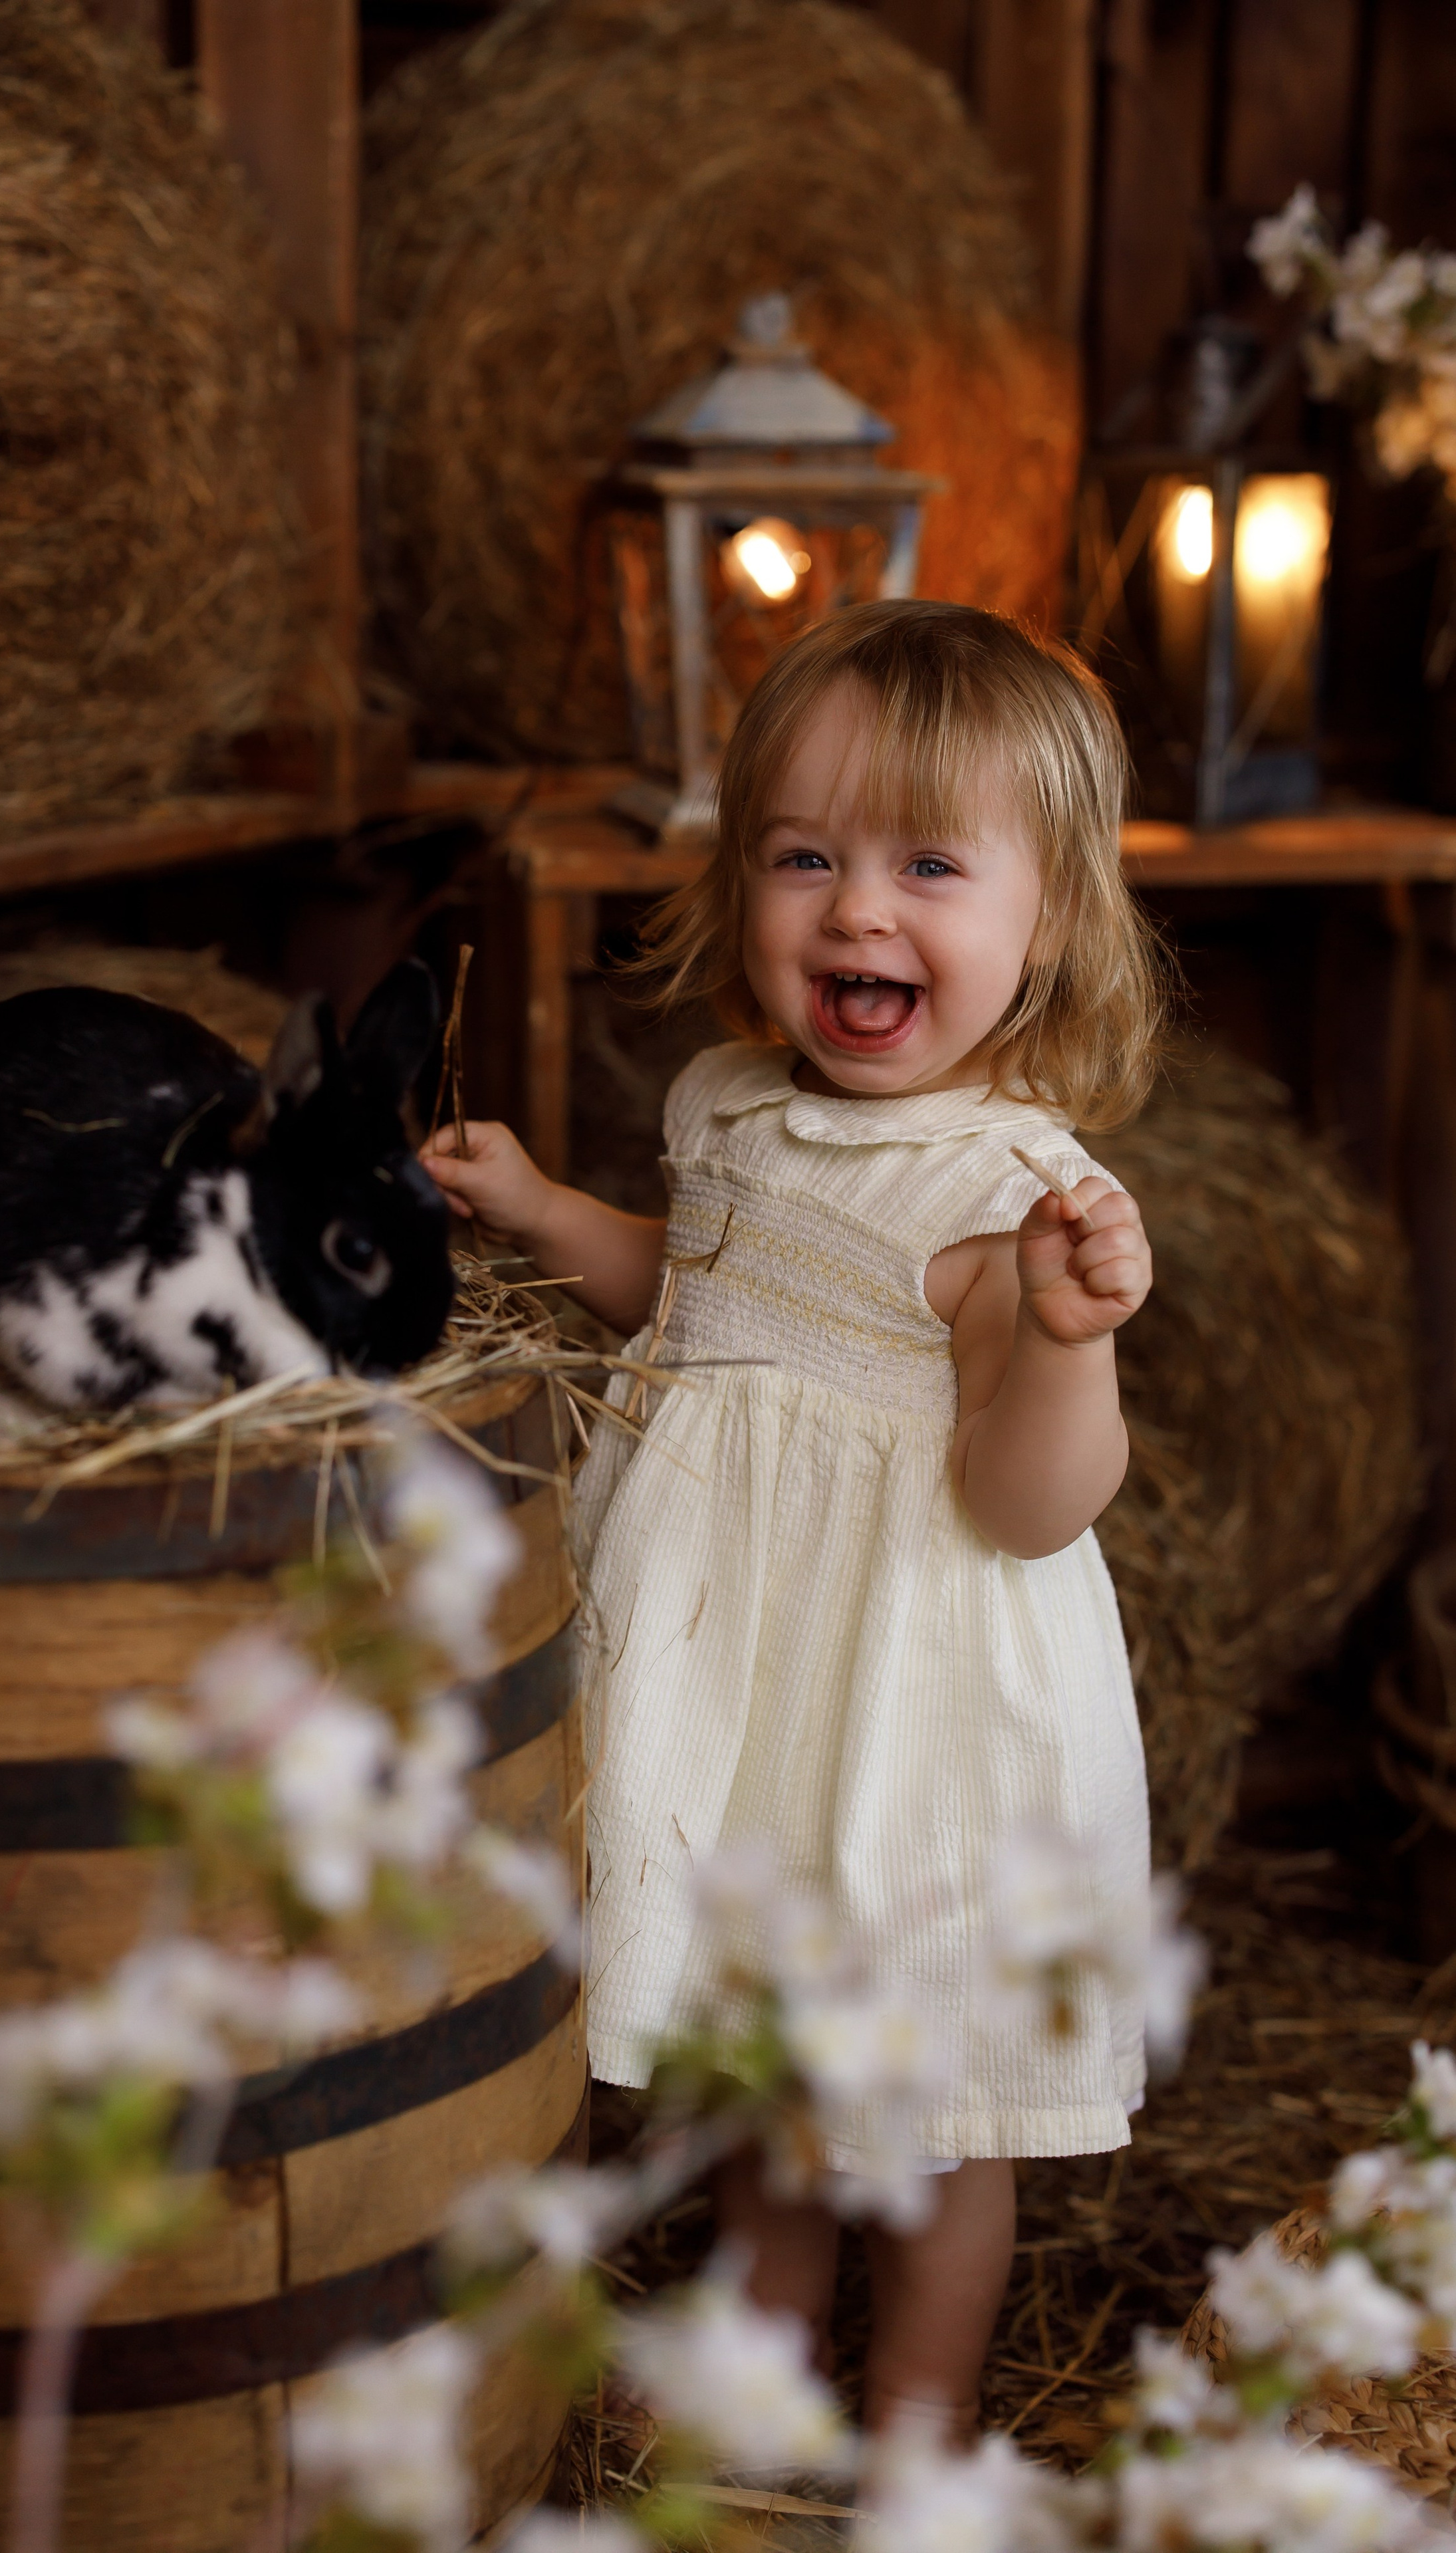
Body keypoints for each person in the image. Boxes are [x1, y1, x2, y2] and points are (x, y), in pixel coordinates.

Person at [422, 599, 1159, 2443]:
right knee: (761, 2071)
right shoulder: (729, 1103)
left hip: (907, 1708)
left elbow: (1026, 1503)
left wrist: (1067, 1351)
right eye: (805, 856)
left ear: (1046, 918)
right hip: (742, 1671)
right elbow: (709, 1294)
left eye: (929, 864)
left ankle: (916, 2418)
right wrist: (547, 1210)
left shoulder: (1012, 1197)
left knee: (915, 2112)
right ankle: (757, 2368)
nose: (856, 912)